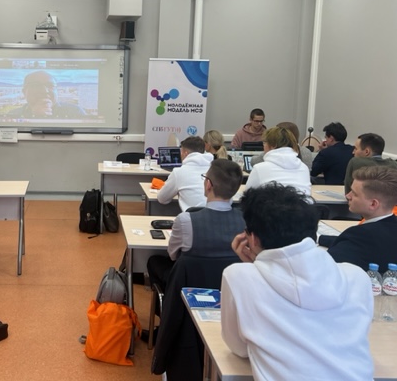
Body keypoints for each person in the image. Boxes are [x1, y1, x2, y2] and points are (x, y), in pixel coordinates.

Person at [221, 184, 373, 381]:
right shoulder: (357, 276)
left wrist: (255, 266)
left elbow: (240, 348)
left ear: (253, 238)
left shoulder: (238, 276)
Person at [147, 159, 245, 290]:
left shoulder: (185, 220)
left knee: (154, 261)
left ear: (208, 184)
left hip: (189, 287)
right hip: (229, 287)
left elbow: (173, 255)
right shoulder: (246, 222)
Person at [322, 166, 397, 272]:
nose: (348, 196)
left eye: (354, 193)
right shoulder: (388, 230)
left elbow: (324, 267)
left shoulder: (358, 235)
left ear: (373, 204)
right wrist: (320, 238)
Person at [244, 126, 311, 196]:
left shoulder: (259, 168)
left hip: (270, 203)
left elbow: (247, 195)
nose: (263, 146)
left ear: (273, 145)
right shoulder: (304, 168)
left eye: (264, 143)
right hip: (301, 203)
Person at [156, 136, 213, 212]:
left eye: (181, 152)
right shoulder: (214, 170)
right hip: (217, 216)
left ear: (185, 153)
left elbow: (162, 198)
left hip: (192, 217)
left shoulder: (179, 172)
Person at [7, 70, 85, 118]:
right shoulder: (13, 114)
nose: (45, 91)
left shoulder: (75, 112)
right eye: (36, 86)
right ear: (24, 92)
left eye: (50, 85)